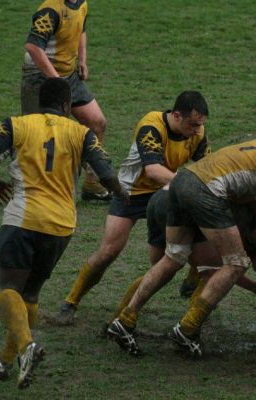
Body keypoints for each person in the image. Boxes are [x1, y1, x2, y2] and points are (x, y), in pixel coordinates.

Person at [0, 78, 125, 389]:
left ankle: (26, 346)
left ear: (39, 101)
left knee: (4, 287)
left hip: (23, 218)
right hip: (61, 225)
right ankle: (6, 359)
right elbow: (107, 174)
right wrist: (124, 195)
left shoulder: (17, 124)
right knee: (29, 293)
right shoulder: (82, 132)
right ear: (67, 106)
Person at [106, 137, 256, 357]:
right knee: (236, 263)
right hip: (204, 189)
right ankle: (187, 329)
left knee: (174, 257)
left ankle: (125, 319)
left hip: (182, 179)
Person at [54, 91, 210, 325]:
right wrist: (186, 184)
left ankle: (124, 315)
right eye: (193, 124)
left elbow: (206, 167)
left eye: (201, 125)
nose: (198, 130)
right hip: (131, 193)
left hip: (164, 194)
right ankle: (70, 302)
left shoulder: (197, 133)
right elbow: (153, 171)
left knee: (163, 264)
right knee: (108, 251)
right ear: (176, 116)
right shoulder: (151, 126)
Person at [105, 189, 256, 356]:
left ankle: (119, 320)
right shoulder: (248, 206)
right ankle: (187, 331)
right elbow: (218, 270)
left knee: (161, 268)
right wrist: (252, 286)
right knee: (207, 272)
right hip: (187, 204)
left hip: (162, 197)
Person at [22, 0, 109, 200]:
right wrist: (56, 81)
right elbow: (33, 47)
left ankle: (92, 184)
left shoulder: (81, 3)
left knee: (97, 122)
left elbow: (81, 29)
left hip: (67, 75)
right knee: (40, 135)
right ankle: (36, 191)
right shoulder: (50, 10)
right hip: (39, 75)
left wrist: (82, 60)